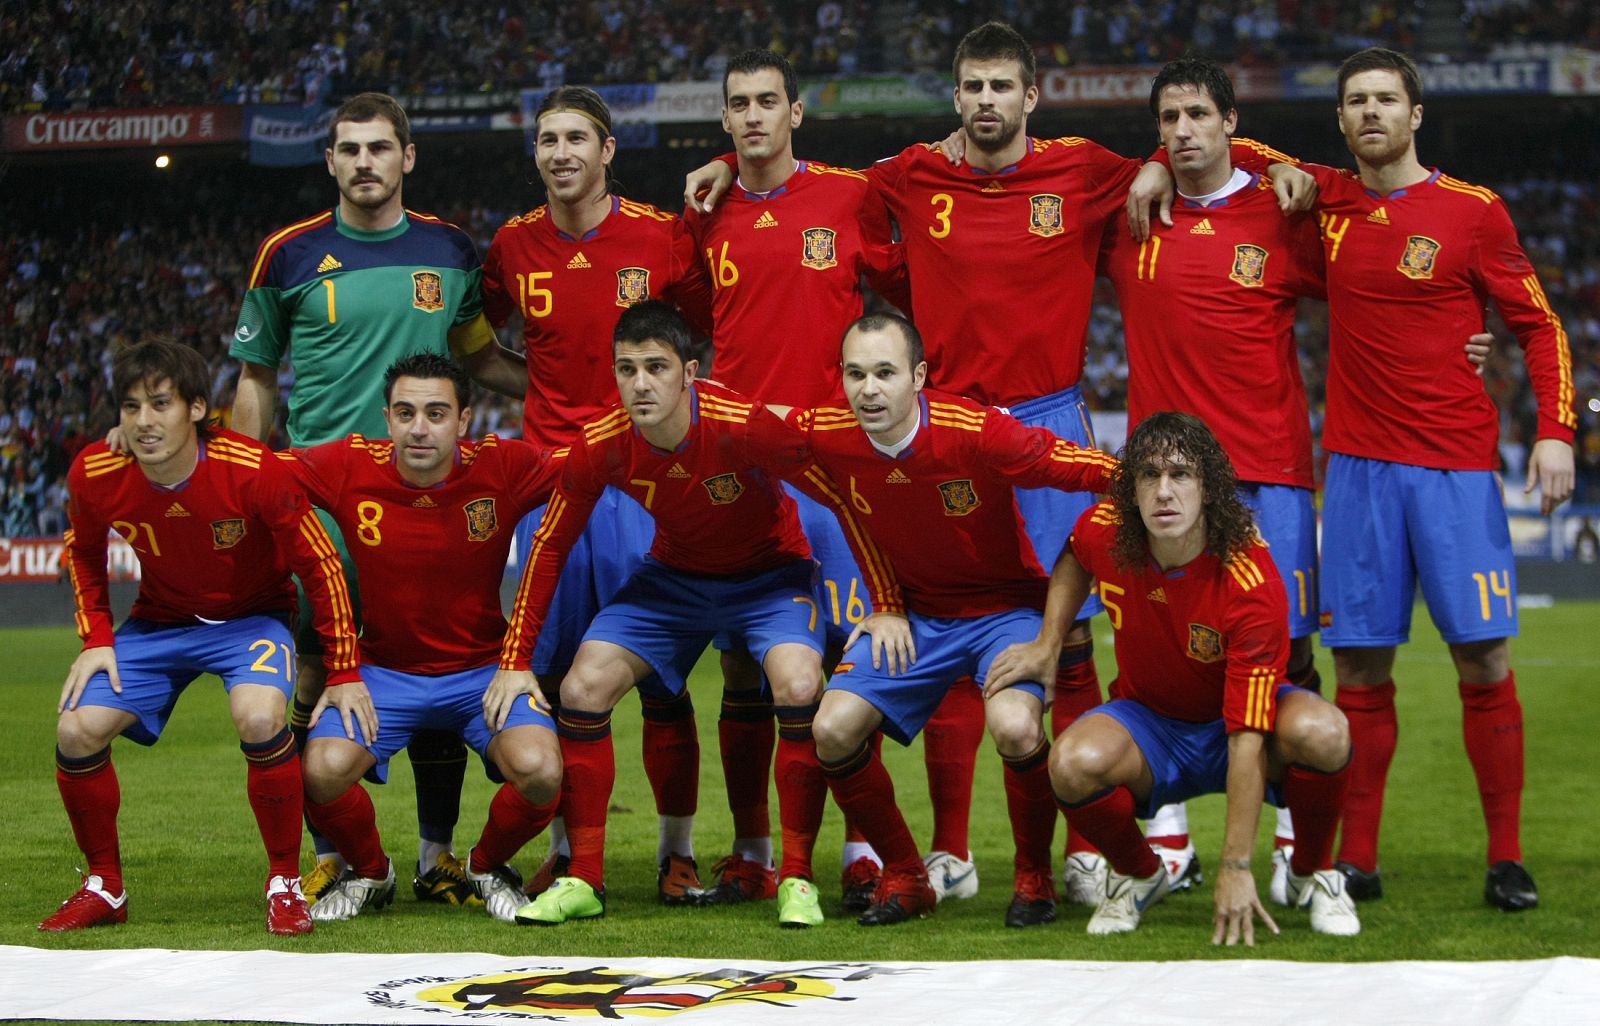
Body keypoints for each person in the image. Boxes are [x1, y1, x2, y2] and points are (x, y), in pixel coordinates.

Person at [685, 23, 1171, 904]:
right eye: (972, 87)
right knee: (950, 624)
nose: (986, 101)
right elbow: (795, 183)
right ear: (956, 98)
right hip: (946, 429)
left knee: (1072, 646)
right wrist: (729, 161)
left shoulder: (1084, 167)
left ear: (1031, 96)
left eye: (1002, 87)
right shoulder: (908, 173)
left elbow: (1189, 141)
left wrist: (1157, 167)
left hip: (1047, 416)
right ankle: (951, 850)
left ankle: (1093, 842)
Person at [1169, 48, 1576, 910]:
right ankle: (1354, 861)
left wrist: (1556, 432)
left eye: (1386, 99)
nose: (1370, 113)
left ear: (1415, 113)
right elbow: (1219, 145)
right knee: (1358, 668)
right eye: (1355, 101)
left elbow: (1538, 324)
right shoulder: (1328, 200)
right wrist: (1142, 173)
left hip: (1457, 470)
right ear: (1342, 119)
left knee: (1483, 658)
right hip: (1353, 472)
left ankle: (1506, 856)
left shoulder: (1474, 213)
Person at [494, 301, 889, 928]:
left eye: (656, 366)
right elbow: (547, 545)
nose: (641, 382)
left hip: (769, 577)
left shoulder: (743, 424)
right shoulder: (604, 444)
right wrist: (515, 662)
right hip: (673, 581)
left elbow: (841, 492)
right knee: (582, 684)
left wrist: (882, 602)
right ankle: (585, 879)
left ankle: (796, 878)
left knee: (799, 683)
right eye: (628, 368)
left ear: (690, 373)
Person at [230, 91, 527, 908]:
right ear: (329, 161)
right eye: (349, 149)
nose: (365, 162)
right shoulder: (287, 254)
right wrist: (242, 481)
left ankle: (437, 855)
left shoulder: (450, 250)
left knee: (436, 660)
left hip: (427, 502)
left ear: (407, 157)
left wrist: (583, 396)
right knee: (317, 672)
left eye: (379, 148)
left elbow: (482, 359)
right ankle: (339, 855)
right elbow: (256, 380)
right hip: (323, 504)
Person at [789, 313, 1118, 927]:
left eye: (885, 373)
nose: (869, 390)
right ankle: (909, 877)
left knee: (1016, 727)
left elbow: (1063, 463)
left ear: (917, 376)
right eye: (856, 374)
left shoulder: (975, 430)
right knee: (831, 728)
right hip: (915, 619)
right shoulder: (826, 431)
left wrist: (1141, 481)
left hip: (1003, 610)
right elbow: (749, 432)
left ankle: (1034, 878)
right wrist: (886, 600)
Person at [681, 48, 907, 914]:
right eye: (737, 104)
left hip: (835, 472)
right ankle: (750, 851)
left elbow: (897, 284)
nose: (752, 117)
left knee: (851, 669)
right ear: (726, 118)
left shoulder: (851, 196)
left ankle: (856, 851)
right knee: (745, 673)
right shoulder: (706, 212)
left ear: (796, 112)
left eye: (766, 102)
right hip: (743, 473)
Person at [991, 412, 1358, 943]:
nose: (1164, 491)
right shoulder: (1109, 531)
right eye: (1149, 475)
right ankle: (1141, 876)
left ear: (1208, 488)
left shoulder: (1250, 582)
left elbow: (1247, 737)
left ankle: (1313, 871)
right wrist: (1049, 642)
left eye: (1181, 475)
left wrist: (1235, 867)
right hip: (1151, 725)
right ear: (1131, 489)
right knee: (1070, 762)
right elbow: (1075, 553)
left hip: (1240, 727)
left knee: (1325, 731)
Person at [1098, 55, 1329, 900]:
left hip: (1269, 470)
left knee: (1293, 652)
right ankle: (1170, 846)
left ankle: (1296, 848)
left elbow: (1372, 240)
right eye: (1168, 119)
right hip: (1167, 479)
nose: (1183, 131)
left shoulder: (1282, 208)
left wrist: (1278, 162)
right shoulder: (1130, 211)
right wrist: (1154, 167)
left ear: (1231, 121)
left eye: (1199, 114)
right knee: (1160, 651)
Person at [481, 85, 715, 905]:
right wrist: (530, 382)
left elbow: (706, 333)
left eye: (576, 137)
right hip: (551, 483)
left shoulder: (660, 237)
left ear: (607, 149)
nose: (560, 152)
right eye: (546, 139)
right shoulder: (513, 246)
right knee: (551, 681)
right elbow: (472, 339)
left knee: (662, 679)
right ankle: (566, 850)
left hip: (642, 483)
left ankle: (676, 852)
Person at [44, 338, 361, 935]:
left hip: (253, 619)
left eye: (160, 404)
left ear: (196, 409)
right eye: (131, 407)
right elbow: (82, 553)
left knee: (261, 718)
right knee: (76, 729)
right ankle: (105, 886)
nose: (144, 422)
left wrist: (343, 669)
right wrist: (97, 638)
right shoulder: (95, 472)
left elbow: (319, 564)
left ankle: (283, 884)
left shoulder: (250, 469)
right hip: (159, 619)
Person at [279, 354, 564, 924]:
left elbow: (595, 461)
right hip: (382, 674)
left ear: (463, 420)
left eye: (436, 413)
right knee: (319, 770)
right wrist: (149, 443)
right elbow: (250, 471)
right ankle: (372, 872)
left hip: (485, 671)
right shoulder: (348, 466)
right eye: (405, 412)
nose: (419, 427)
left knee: (542, 771)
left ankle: (484, 867)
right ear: (387, 417)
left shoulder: (502, 467)